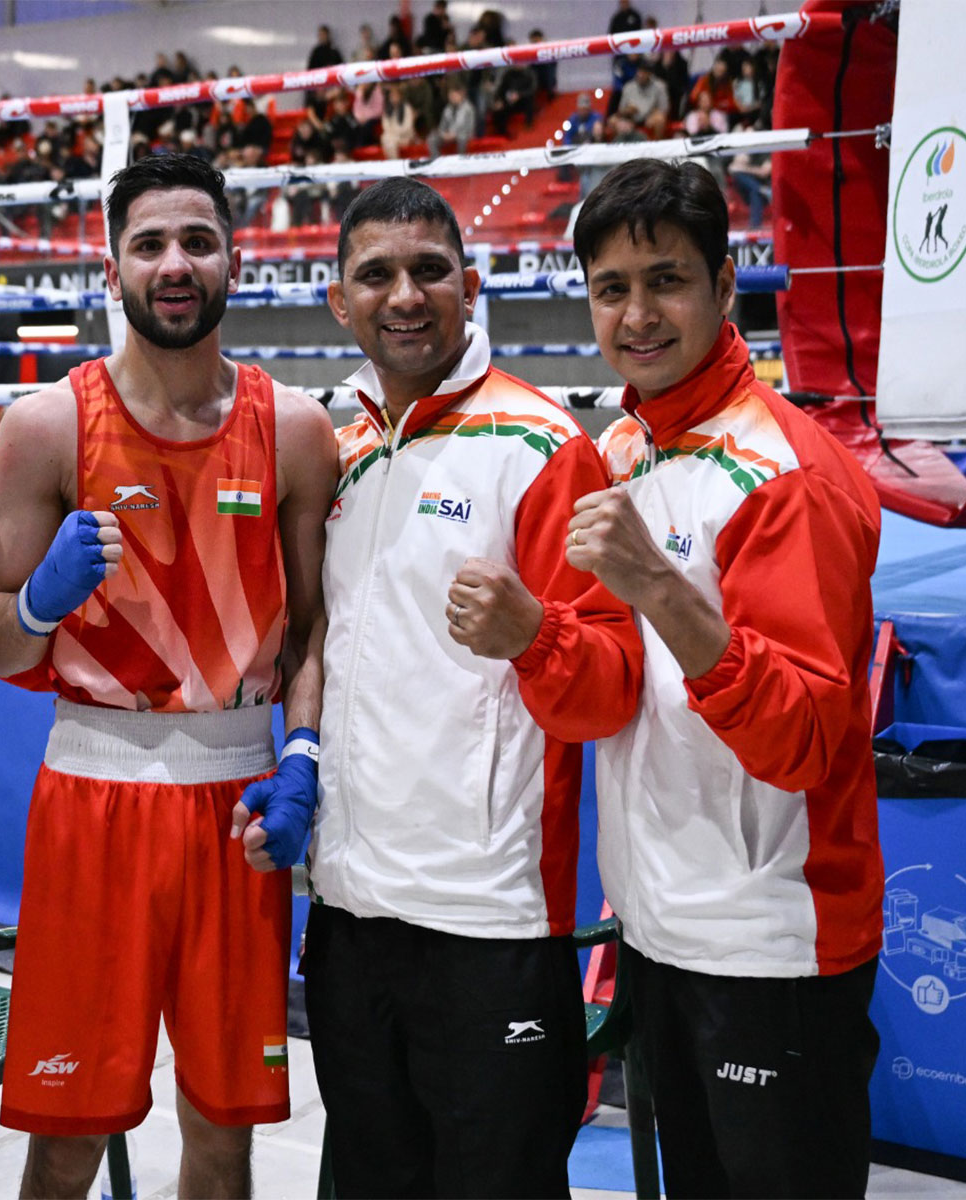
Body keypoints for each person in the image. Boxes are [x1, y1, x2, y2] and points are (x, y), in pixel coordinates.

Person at [0, 153, 337, 1200]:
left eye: (197, 240)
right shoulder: (45, 428)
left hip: (239, 806)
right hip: (93, 801)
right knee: (66, 1136)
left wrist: (304, 753)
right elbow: (1, 646)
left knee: (225, 1136)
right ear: (112, 267)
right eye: (149, 244)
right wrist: (40, 604)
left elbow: (313, 634)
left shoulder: (299, 433)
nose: (174, 264)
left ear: (235, 256)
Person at [306, 177, 645, 1198]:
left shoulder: (545, 450)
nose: (404, 295)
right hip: (347, 918)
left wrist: (536, 635)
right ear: (338, 300)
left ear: (471, 284)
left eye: (428, 270)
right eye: (376, 274)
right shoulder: (339, 453)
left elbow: (608, 689)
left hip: (487, 928)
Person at [565, 158, 884, 1198]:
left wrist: (659, 586)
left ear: (723, 281)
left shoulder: (786, 473)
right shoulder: (619, 446)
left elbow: (801, 738)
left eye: (665, 280)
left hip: (771, 946)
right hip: (658, 929)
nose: (638, 314)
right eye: (612, 288)